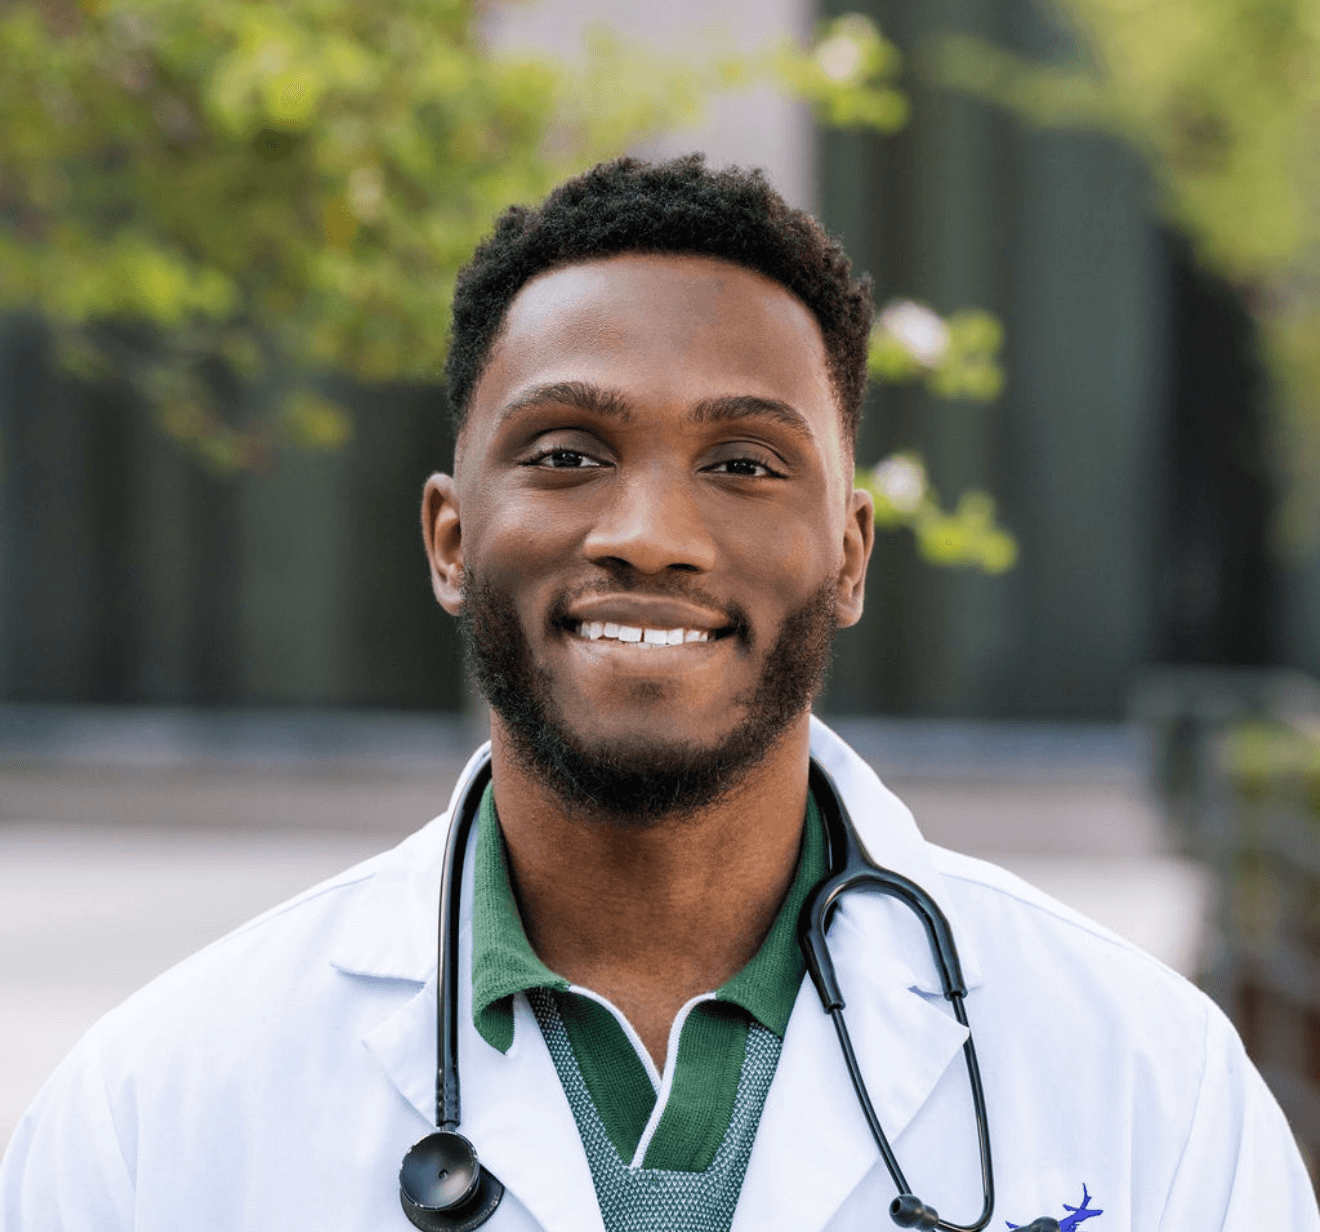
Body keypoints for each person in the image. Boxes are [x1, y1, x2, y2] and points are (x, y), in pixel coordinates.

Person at [1, 155, 1315, 1232]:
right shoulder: (154, 1110)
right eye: (568, 452)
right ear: (451, 540)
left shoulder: (1147, 1080)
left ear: (850, 553)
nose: (650, 532)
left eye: (744, 464)